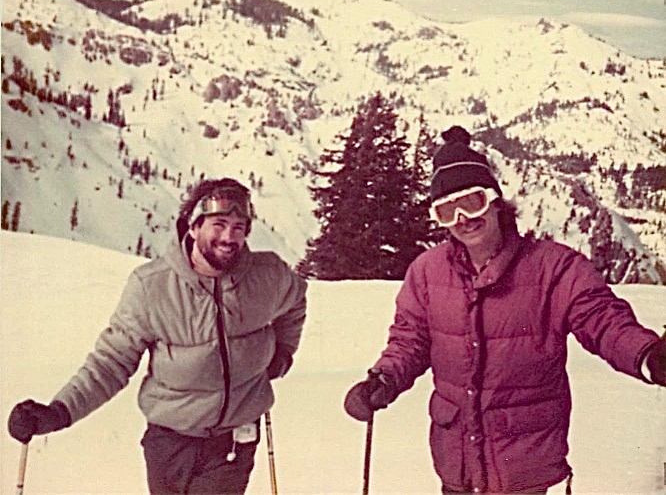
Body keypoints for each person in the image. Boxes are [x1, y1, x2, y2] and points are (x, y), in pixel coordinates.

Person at [343, 126, 666, 494]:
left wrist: (646, 355)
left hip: (523, 466)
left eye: (473, 201)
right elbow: (410, 341)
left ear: (496, 201)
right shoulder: (427, 272)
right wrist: (384, 379)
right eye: (448, 210)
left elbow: (602, 319)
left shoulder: (553, 267)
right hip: (456, 463)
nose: (463, 218)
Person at [7, 177, 308, 494]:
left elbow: (296, 301)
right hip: (170, 441)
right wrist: (60, 411)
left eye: (238, 227)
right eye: (218, 224)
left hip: (234, 441)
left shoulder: (268, 275)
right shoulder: (152, 286)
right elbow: (111, 362)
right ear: (193, 227)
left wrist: (283, 351)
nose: (229, 237)